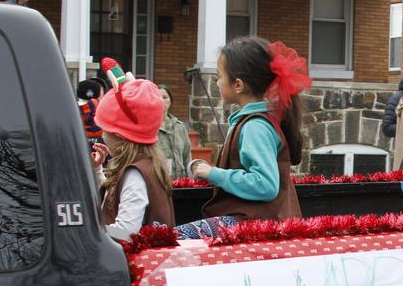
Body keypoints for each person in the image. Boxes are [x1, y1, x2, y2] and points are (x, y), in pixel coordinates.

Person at [178, 37, 310, 239]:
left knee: (173, 238)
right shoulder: (253, 122)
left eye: (219, 76)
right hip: (253, 220)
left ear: (238, 84)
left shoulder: (255, 126)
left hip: (252, 224)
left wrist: (214, 174)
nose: (216, 82)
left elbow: (265, 184)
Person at [89, 61, 174, 241]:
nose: (102, 134)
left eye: (106, 129)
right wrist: (98, 171)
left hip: (132, 266)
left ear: (120, 135)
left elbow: (126, 231)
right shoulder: (142, 165)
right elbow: (114, 201)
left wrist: (87, 229)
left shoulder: (135, 173)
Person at [156, 84, 192, 179]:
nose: (161, 100)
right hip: (158, 180)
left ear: (170, 101)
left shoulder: (179, 126)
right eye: (158, 97)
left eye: (165, 97)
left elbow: (187, 155)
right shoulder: (149, 127)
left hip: (180, 181)